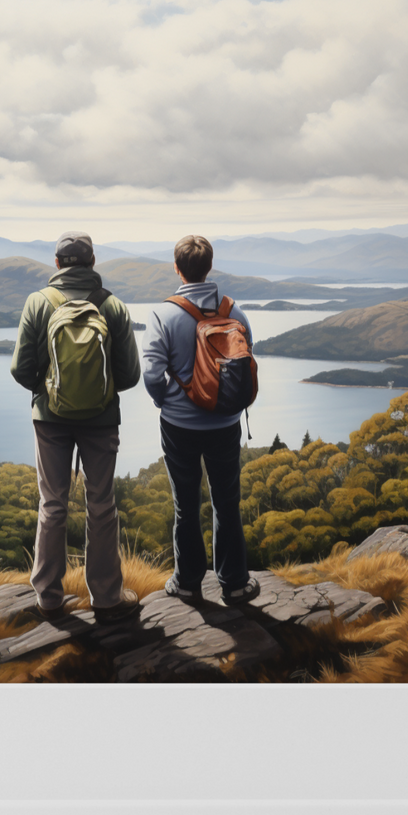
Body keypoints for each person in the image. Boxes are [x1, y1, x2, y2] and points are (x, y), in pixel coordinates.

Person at [9, 231, 142, 623]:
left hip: (50, 420)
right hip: (101, 421)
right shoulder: (112, 306)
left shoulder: (39, 302)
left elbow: (20, 368)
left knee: (52, 504)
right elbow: (130, 375)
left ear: (56, 264)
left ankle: (48, 597)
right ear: (93, 263)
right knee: (101, 505)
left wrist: (47, 391)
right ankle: (106, 597)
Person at [141, 234, 259, 603]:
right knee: (227, 502)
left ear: (177, 268)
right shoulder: (233, 311)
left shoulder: (163, 313)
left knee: (185, 504)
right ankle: (235, 583)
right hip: (225, 423)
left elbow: (150, 373)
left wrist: (168, 402)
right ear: (209, 266)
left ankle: (189, 583)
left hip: (180, 427)